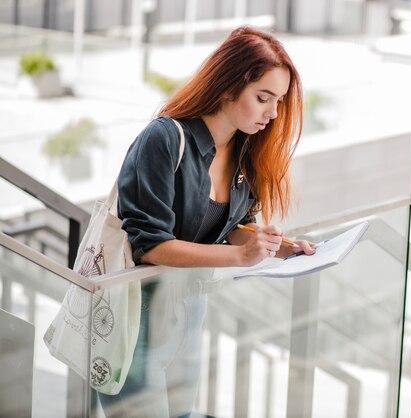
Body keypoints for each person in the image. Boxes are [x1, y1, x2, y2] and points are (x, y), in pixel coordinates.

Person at [97, 26, 315, 417]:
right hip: (135, 311)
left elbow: (230, 224)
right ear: (228, 87)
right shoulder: (164, 139)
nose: (273, 113)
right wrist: (241, 257)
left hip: (188, 306)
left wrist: (276, 247)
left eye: (278, 101)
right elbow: (152, 245)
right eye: (263, 98)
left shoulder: (246, 150)